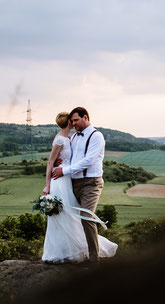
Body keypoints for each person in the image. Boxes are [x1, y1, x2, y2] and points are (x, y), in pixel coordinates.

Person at [42, 111, 117, 263]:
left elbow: (88, 160)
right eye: (72, 121)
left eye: (76, 120)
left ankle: (94, 260)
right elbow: (63, 159)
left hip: (90, 183)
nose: (74, 123)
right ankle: (71, 252)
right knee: (67, 217)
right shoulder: (73, 137)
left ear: (86, 118)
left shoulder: (96, 136)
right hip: (71, 183)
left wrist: (63, 170)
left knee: (86, 217)